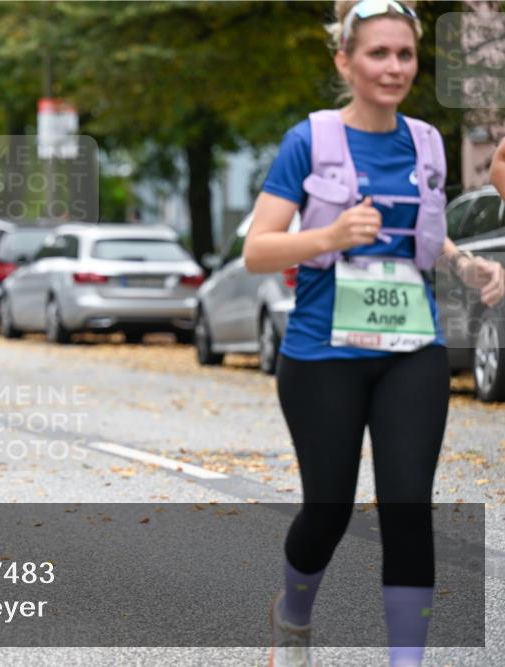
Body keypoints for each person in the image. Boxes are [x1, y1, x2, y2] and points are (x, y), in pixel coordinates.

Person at [244, 2, 505, 666]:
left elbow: (422, 232)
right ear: (345, 61)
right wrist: (328, 236)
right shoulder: (310, 139)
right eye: (378, 54)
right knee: (328, 509)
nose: (393, 68)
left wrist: (465, 265)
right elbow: (258, 249)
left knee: (408, 506)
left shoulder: (425, 142)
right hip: (321, 352)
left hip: (410, 349)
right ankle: (293, 617)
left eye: (405, 55)